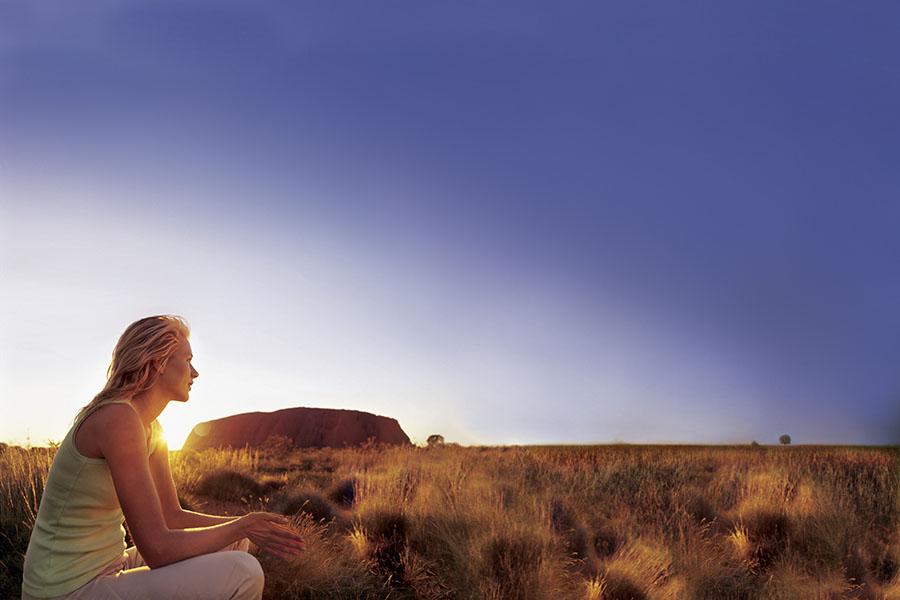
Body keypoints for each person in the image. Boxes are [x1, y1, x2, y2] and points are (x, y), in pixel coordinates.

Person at [21, 315, 305, 600]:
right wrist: (243, 524)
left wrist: (243, 525)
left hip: (109, 566)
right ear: (158, 362)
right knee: (244, 571)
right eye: (188, 359)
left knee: (234, 543)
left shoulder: (152, 428)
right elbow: (157, 549)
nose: (195, 373)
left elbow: (172, 516)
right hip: (65, 590)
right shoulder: (118, 418)